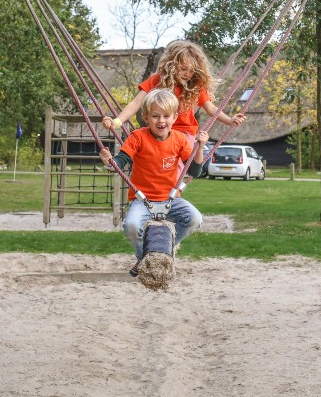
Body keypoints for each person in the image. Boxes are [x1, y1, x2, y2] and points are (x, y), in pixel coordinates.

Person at [99, 88, 209, 276]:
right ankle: (144, 258)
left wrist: (199, 148)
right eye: (155, 116)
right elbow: (121, 160)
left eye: (166, 116)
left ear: (174, 117)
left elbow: (195, 171)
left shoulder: (180, 140)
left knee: (195, 218)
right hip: (142, 200)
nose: (161, 121)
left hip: (170, 199)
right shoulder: (138, 137)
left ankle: (166, 249)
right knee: (131, 226)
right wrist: (110, 162)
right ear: (145, 117)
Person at [102, 40, 244, 142]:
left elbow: (211, 108)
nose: (187, 74)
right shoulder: (157, 80)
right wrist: (117, 122)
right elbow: (136, 102)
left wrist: (229, 120)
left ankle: (175, 179)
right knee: (139, 142)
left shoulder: (195, 86)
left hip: (184, 133)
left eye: (192, 71)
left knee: (173, 160)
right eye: (183, 69)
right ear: (171, 64)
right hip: (159, 130)